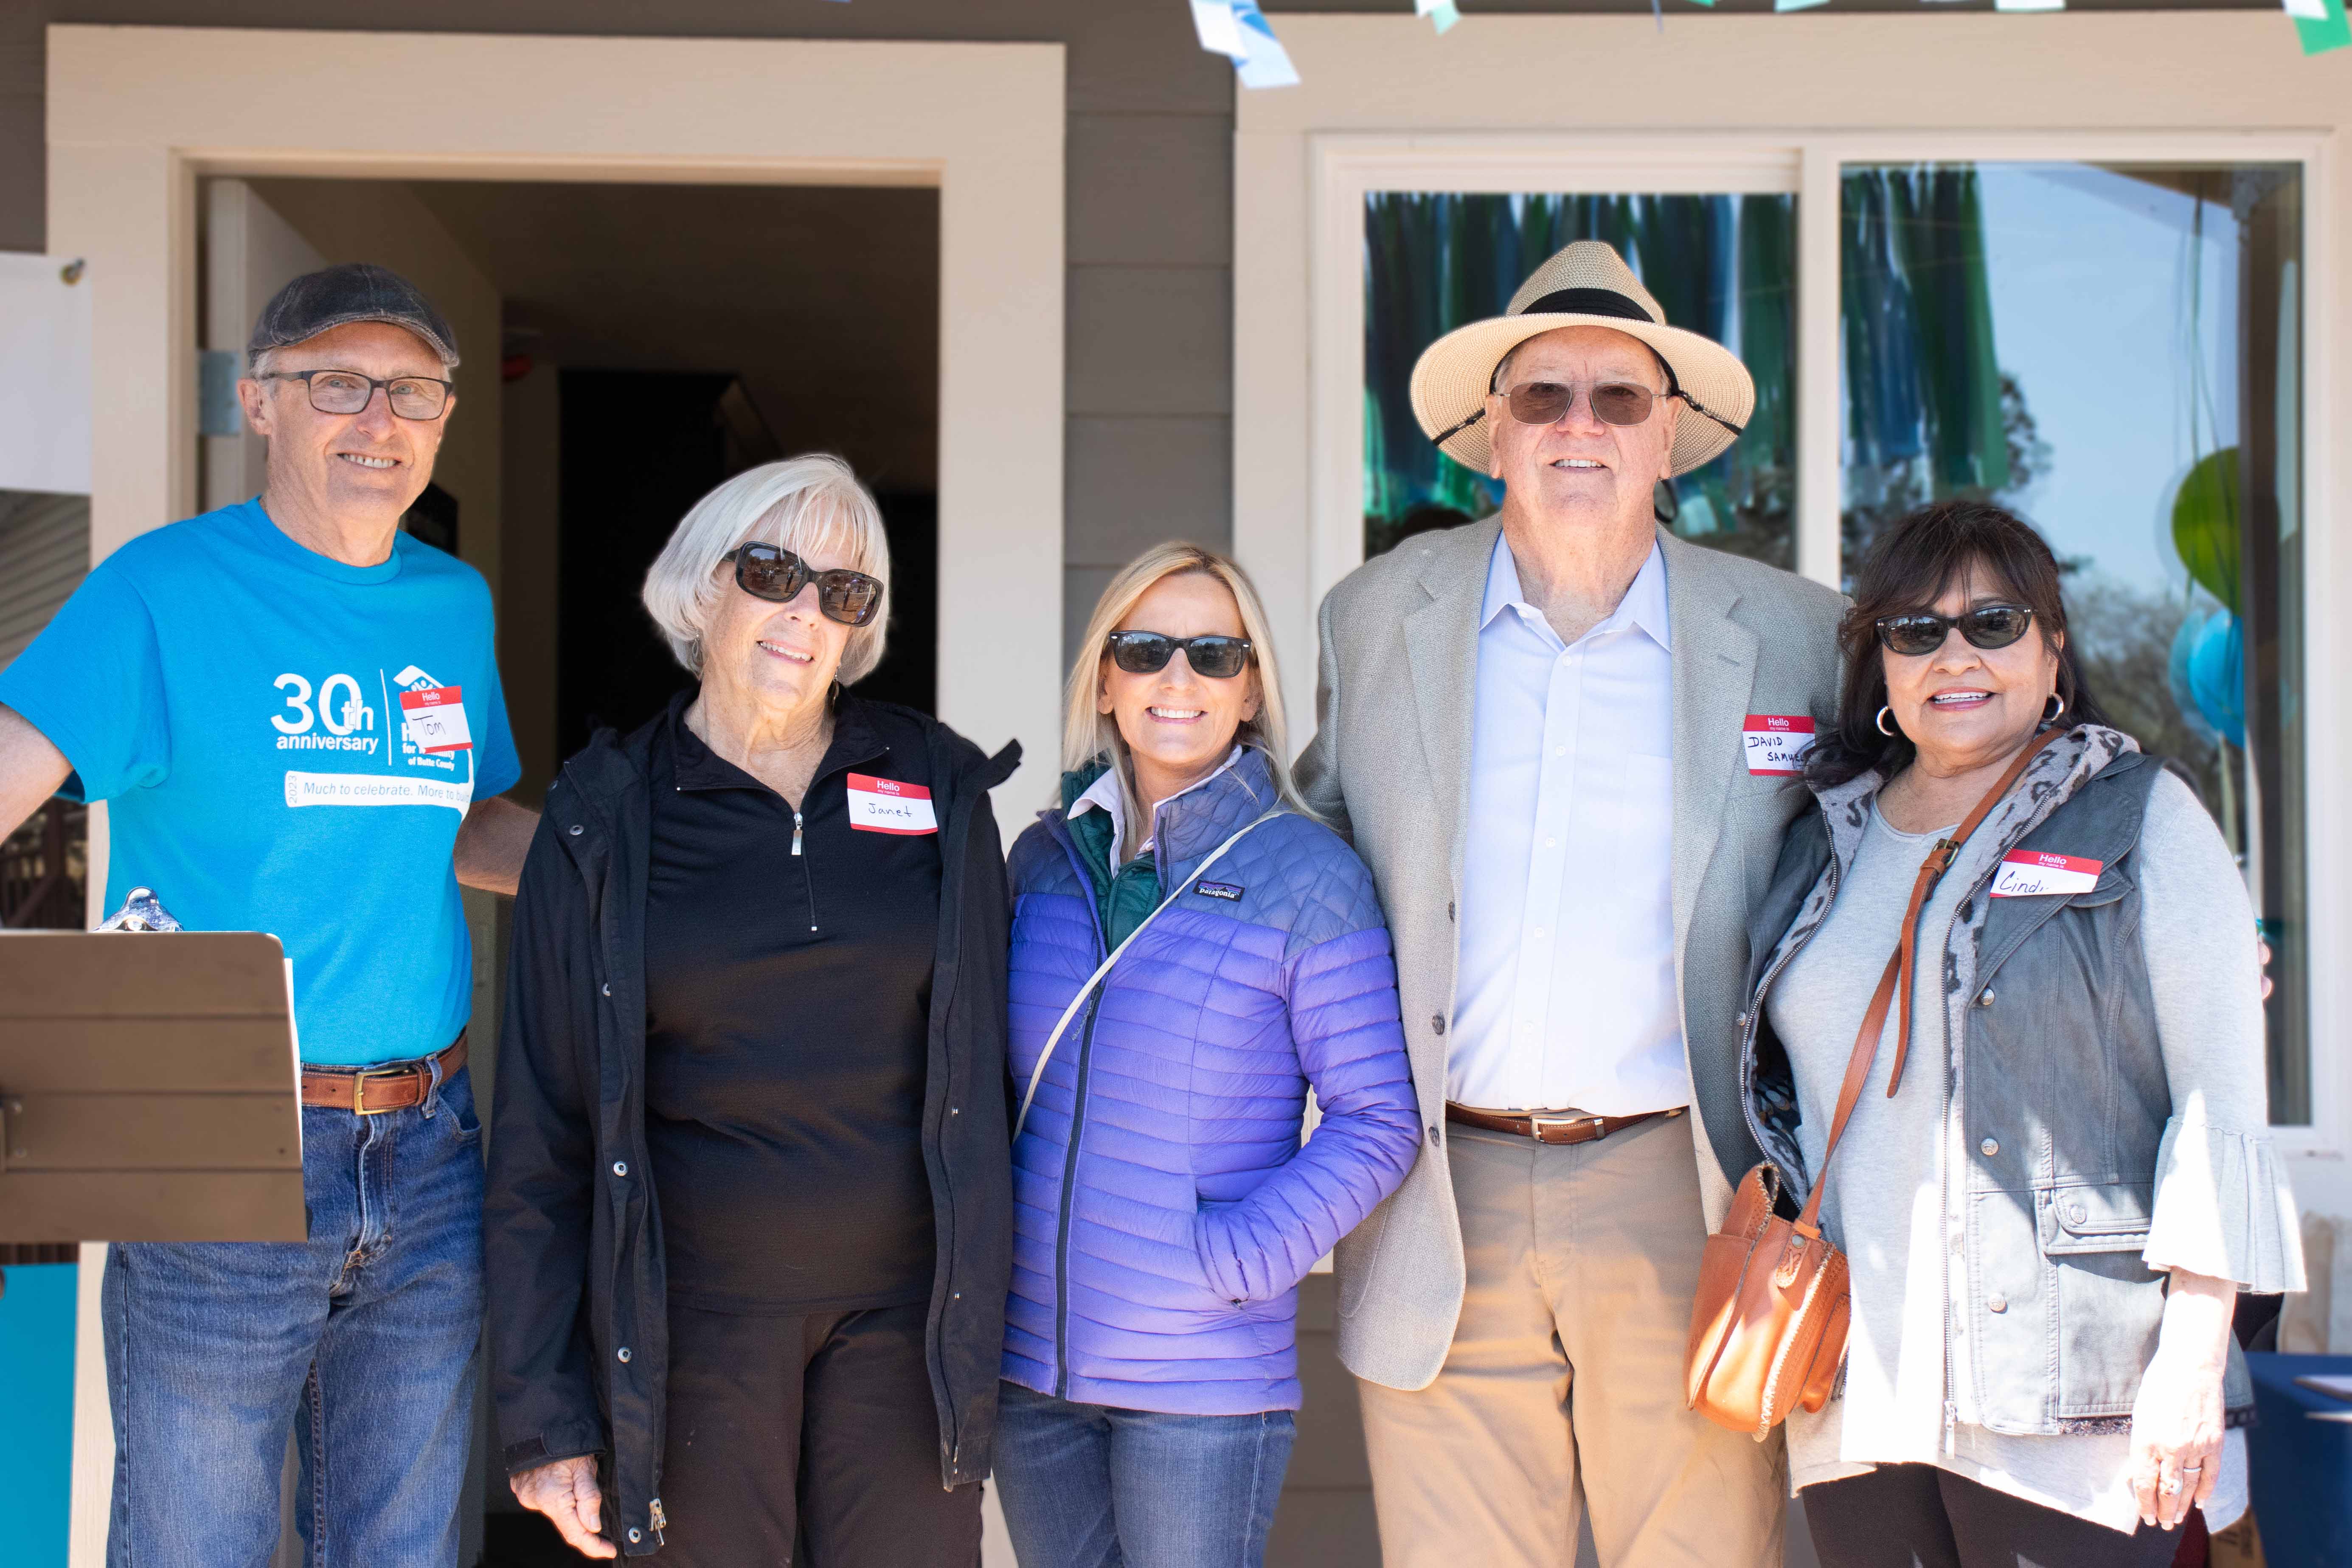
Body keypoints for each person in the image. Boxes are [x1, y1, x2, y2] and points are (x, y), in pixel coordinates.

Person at [1295, 239, 1847, 1567]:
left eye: (1617, 398)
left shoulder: (1795, 633)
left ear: (1671, 437)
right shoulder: (1375, 614)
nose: (1578, 426)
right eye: (1542, 397)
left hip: (1687, 1178)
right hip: (1438, 1185)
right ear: (1491, 433)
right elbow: (1306, 858)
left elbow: (1912, 819)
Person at [0, 263, 535, 1565]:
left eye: (413, 391)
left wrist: (660, 868)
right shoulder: (162, 588)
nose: (379, 419)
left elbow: (463, 819)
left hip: (428, 1144)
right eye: (338, 384)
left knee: (400, 1545)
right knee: (198, 1542)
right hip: (223, 1137)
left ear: (445, 417)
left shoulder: (450, 604)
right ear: (260, 402)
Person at [1739, 499, 2305, 1567]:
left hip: (2065, 1394)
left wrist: (2192, 1354)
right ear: (1883, 669)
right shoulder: (1823, 836)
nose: (1954, 653)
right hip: (1856, 1385)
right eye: (1916, 629)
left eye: (1993, 622)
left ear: (2052, 650)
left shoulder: (2141, 817)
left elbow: (2219, 1109)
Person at [486, 455, 1019, 1563]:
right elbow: (542, 1130)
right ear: (700, 585)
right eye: (774, 570)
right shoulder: (604, 811)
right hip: (689, 1334)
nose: (805, 612)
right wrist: (544, 1415)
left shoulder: (936, 784)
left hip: (903, 1331)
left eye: (844, 591)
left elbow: (993, 1071)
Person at [993, 543, 1420, 1568]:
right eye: (1144, 650)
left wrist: (1232, 1260)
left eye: (1211, 654)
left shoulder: (1309, 875)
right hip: (1028, 1375)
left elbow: (1378, 1119)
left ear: (1252, 685)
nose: (1175, 678)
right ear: (1104, 678)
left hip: (1200, 1381)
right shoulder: (1042, 859)